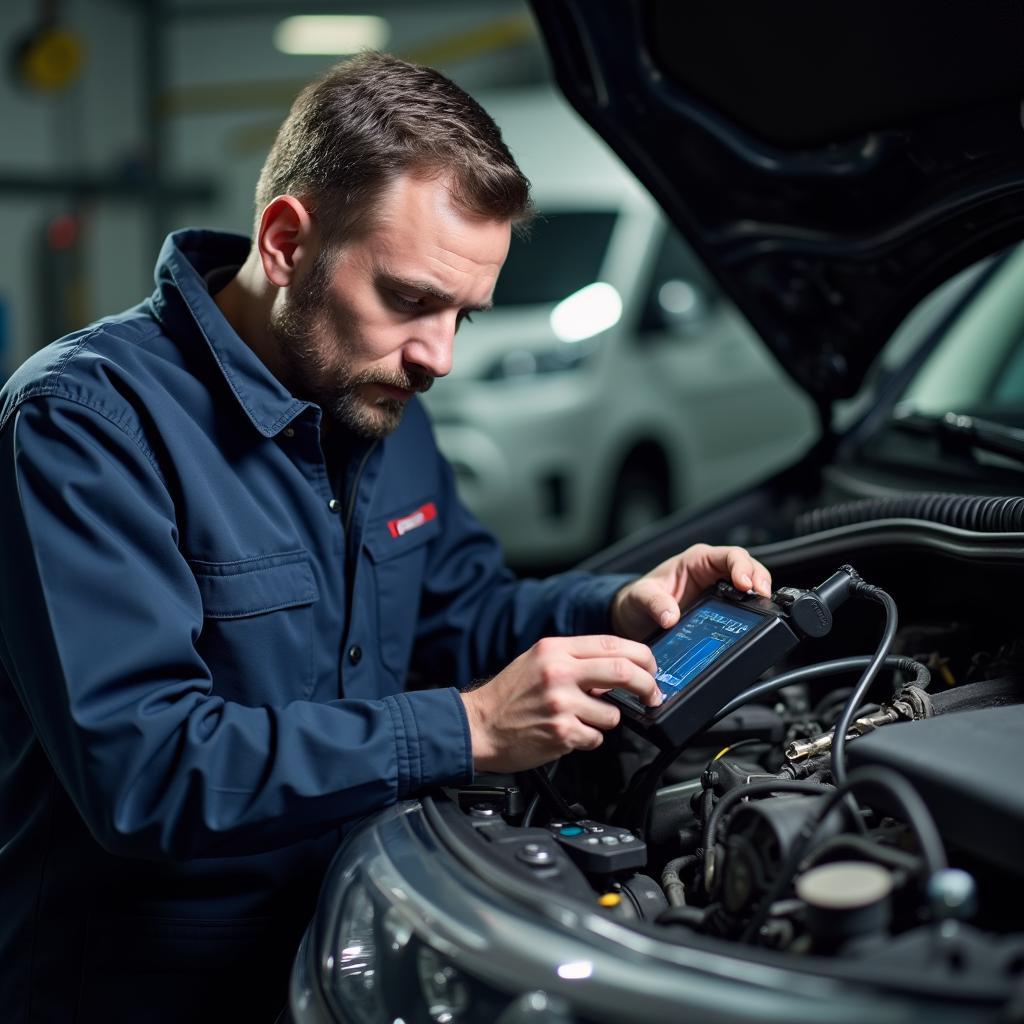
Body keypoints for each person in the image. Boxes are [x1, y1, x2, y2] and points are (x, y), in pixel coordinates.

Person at [0, 52, 772, 1021]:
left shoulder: (371, 393)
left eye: (462, 313)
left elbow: (460, 608)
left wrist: (615, 605)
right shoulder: (86, 422)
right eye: (410, 299)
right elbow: (145, 767)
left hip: (345, 942)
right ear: (286, 241)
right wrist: (469, 727)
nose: (439, 355)